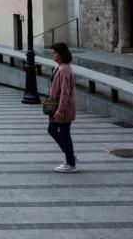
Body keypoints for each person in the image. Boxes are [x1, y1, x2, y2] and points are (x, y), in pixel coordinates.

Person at [47, 43, 78, 173]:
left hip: (63, 107)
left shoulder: (64, 70)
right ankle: (70, 156)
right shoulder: (59, 67)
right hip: (58, 106)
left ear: (61, 54)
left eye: (54, 53)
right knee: (54, 130)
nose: (52, 55)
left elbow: (65, 93)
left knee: (63, 133)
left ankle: (71, 163)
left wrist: (60, 110)